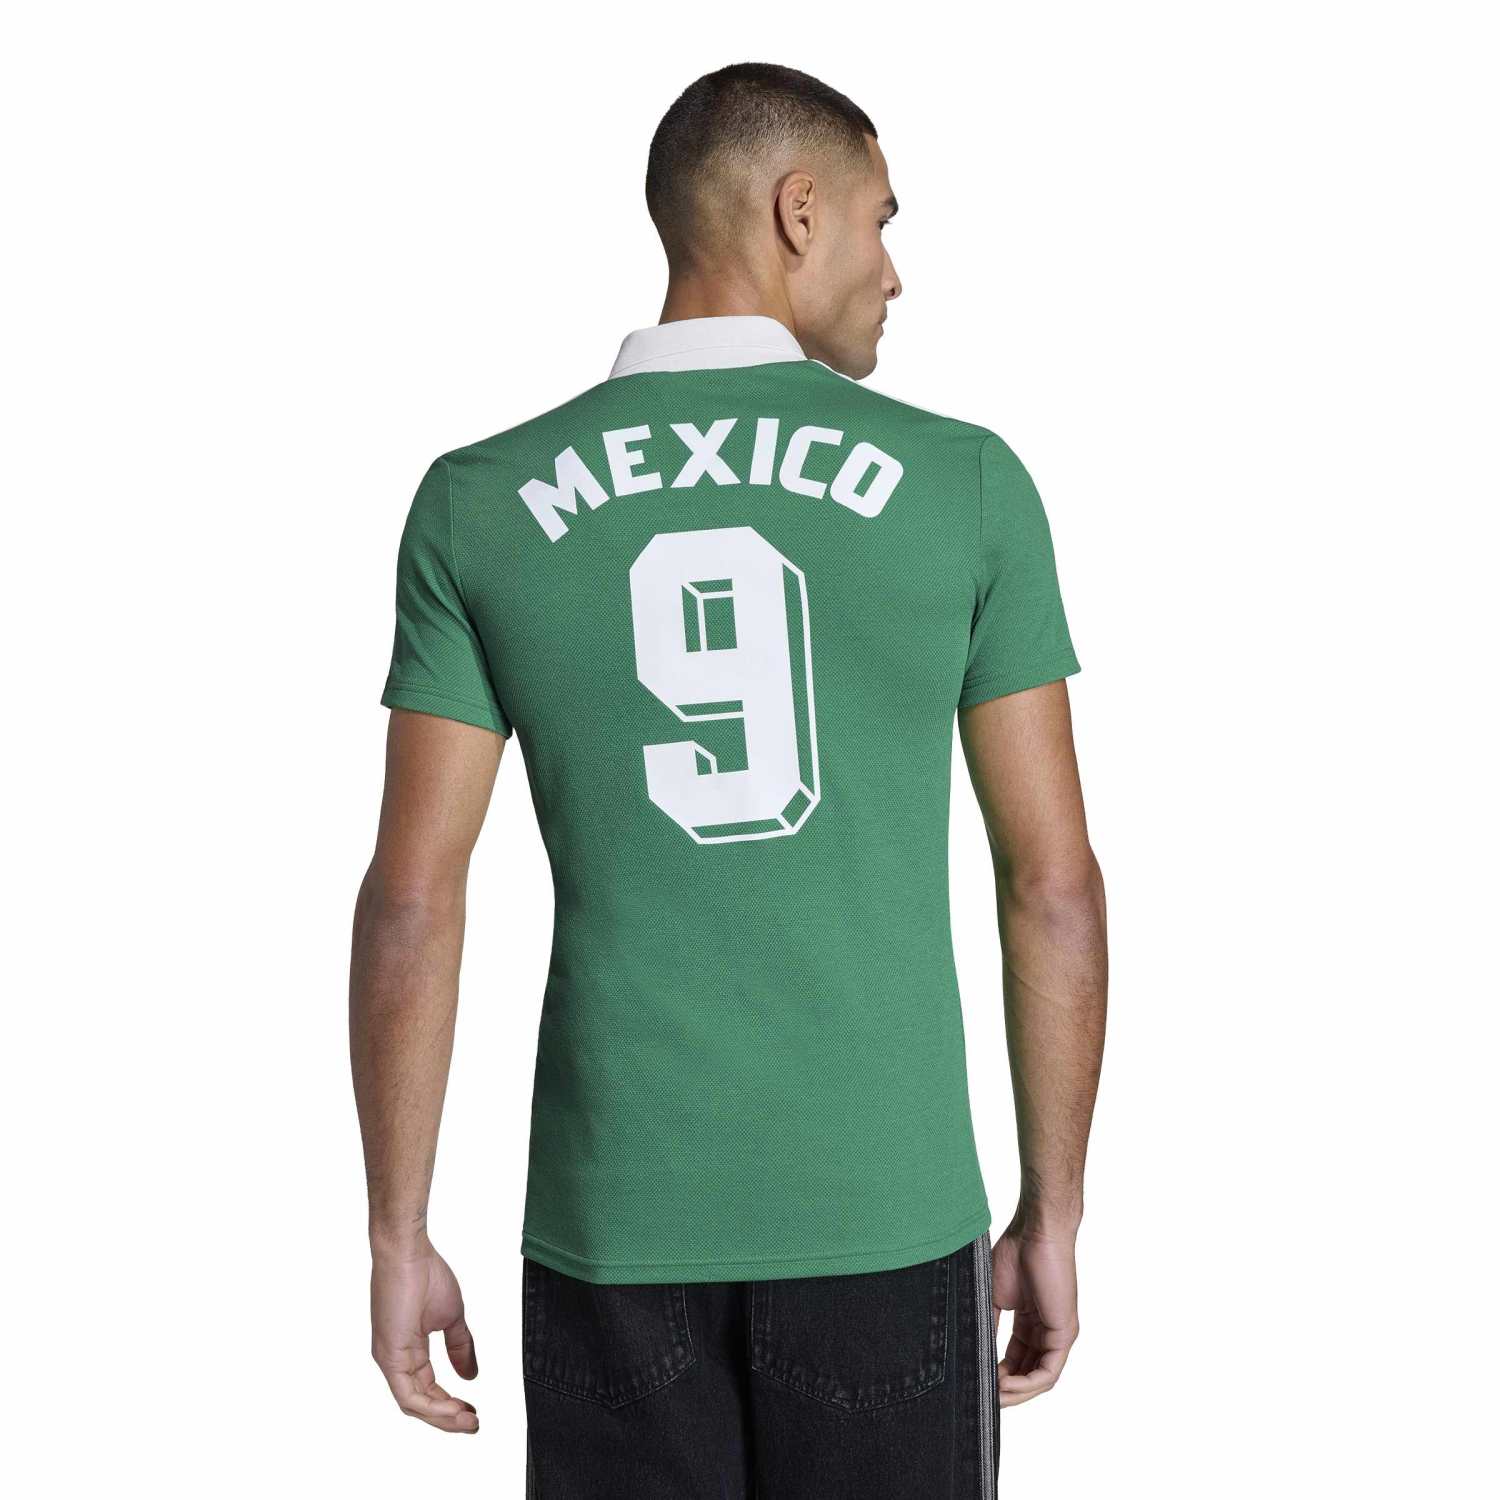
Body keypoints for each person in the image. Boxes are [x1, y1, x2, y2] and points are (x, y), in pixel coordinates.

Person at [349, 61, 1108, 1498]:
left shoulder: (479, 501)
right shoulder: (965, 484)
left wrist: (397, 1234)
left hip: (614, 1230)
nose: (896, 271)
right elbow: (1051, 884)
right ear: (797, 211)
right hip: (886, 1221)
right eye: (882, 222)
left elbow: (412, 900)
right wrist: (1053, 1211)